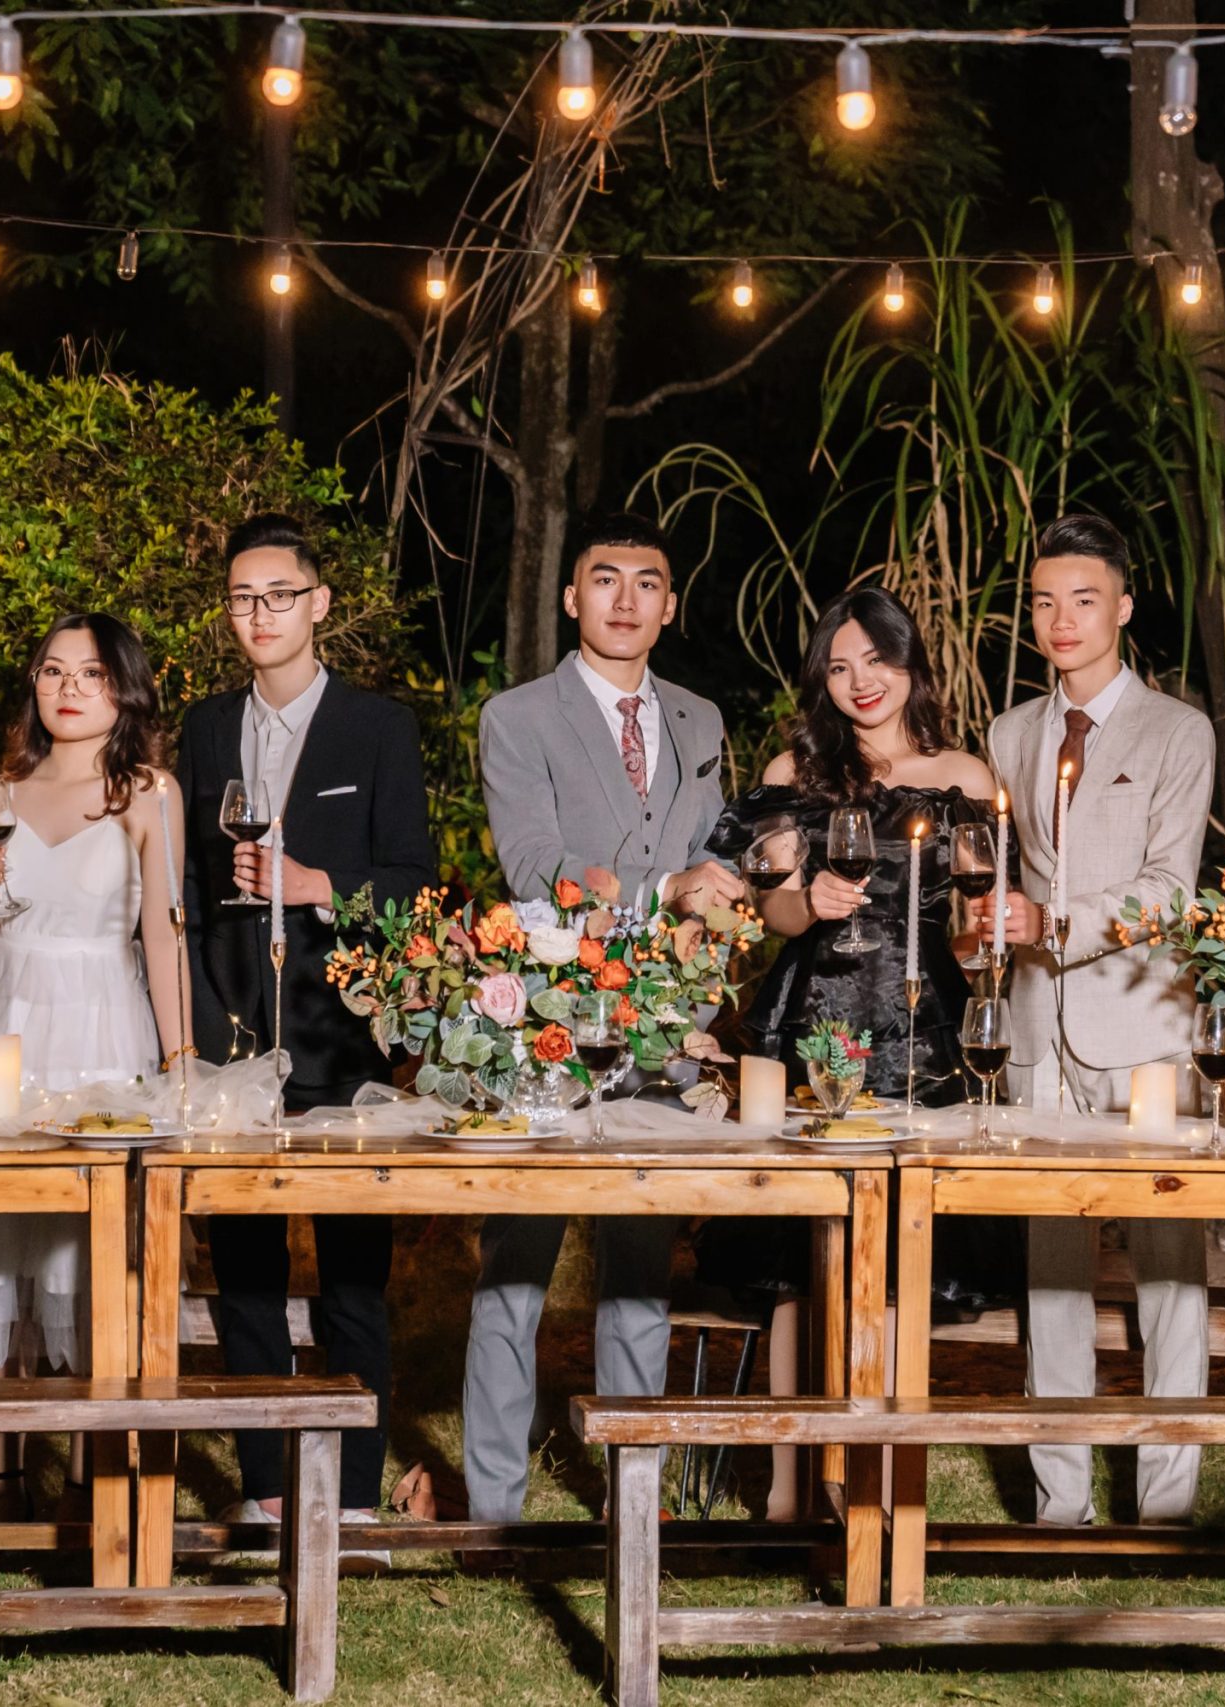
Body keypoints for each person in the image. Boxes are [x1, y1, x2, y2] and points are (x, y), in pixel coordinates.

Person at [466, 511, 751, 1525]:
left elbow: (716, 857)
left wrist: (723, 921)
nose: (625, 599)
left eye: (647, 582)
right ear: (569, 595)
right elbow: (534, 866)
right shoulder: (516, 717)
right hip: (547, 1024)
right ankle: (492, 1507)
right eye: (604, 579)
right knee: (513, 1274)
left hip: (668, 1031)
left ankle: (634, 1499)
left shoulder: (700, 720)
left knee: (639, 1276)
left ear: (669, 606)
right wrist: (667, 889)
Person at [0, 613, 190, 1510]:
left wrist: (181, 1060)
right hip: (3, 1020)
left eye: (90, 674)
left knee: (89, 1255)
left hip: (102, 1021)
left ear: (122, 688)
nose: (67, 689)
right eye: (53, 671)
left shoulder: (148, 793)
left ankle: (88, 1473)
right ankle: (4, 1477)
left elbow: (164, 936)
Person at [176, 514, 433, 1540]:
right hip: (231, 1035)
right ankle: (265, 1485)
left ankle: (354, 1494)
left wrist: (316, 882)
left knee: (353, 1281)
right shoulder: (203, 728)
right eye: (242, 597)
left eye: (278, 594)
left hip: (342, 1035)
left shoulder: (377, 728)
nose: (259, 614)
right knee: (243, 1275)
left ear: (319, 603)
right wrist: (199, 1026)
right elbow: (189, 892)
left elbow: (413, 885)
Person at [974, 512, 1217, 1527]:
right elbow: (1005, 876)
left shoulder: (1178, 731)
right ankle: (1058, 1502)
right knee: (1053, 1279)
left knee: (1172, 1278)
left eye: (1082, 599)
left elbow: (1171, 888)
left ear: (1122, 607)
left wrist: (1054, 921)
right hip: (1038, 1031)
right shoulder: (1009, 734)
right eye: (1043, 602)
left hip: (1146, 1034)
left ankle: (1165, 1505)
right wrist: (986, 927)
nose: (1060, 619)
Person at [702, 585, 1018, 1319]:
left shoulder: (965, 776)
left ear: (910, 662)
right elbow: (773, 911)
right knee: (797, 1269)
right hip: (813, 1019)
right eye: (839, 669)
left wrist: (989, 927)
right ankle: (799, 1403)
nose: (861, 682)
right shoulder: (792, 773)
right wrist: (808, 902)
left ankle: (888, 1399)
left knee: (912, 1253)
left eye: (876, 660)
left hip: (925, 1029)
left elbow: (984, 919)